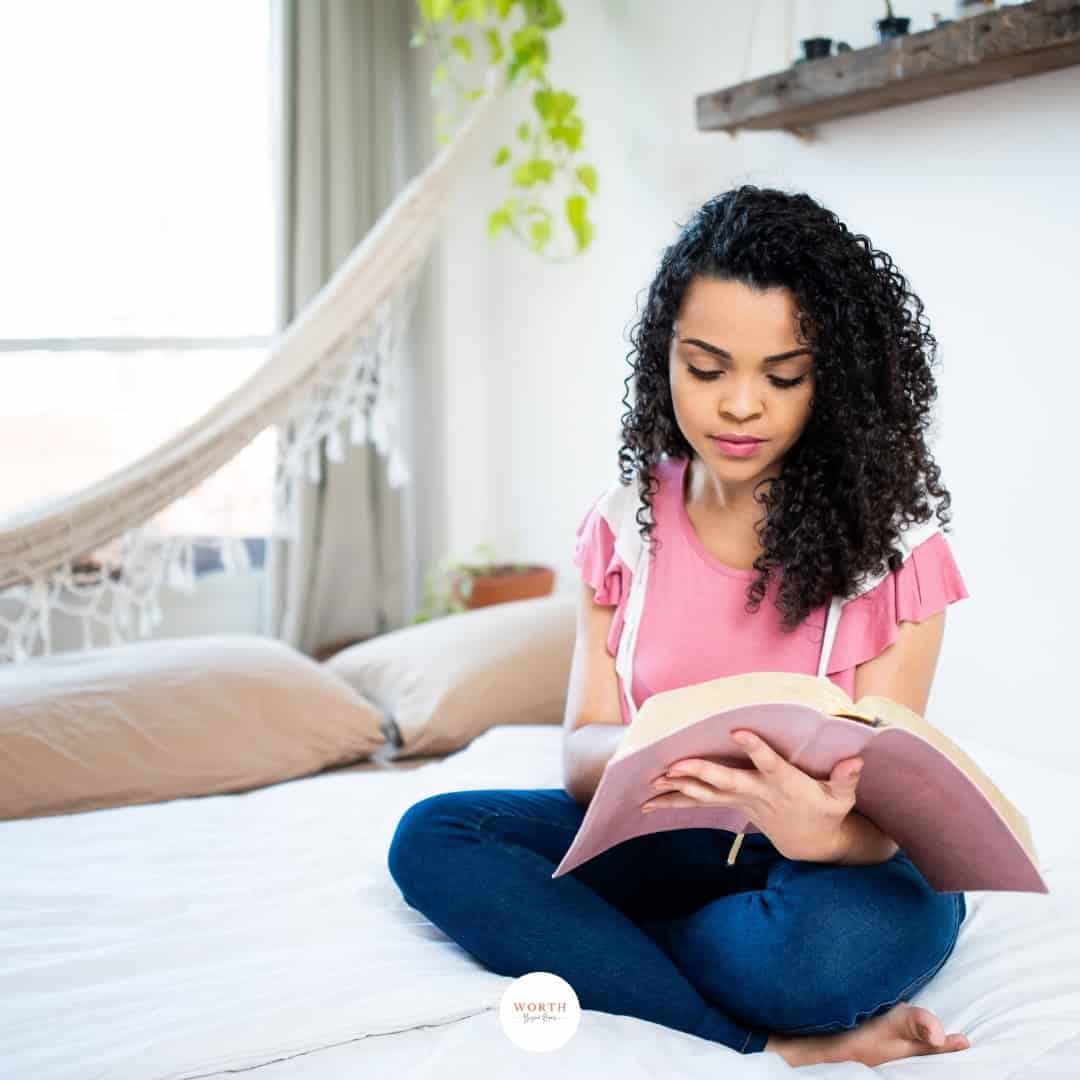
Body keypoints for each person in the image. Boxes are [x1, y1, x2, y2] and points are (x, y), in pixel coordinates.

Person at [387, 186, 972, 1067]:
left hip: (830, 864)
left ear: (836, 379)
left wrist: (812, 831)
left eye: (783, 376)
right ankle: (765, 1038)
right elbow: (583, 746)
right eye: (706, 368)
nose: (740, 406)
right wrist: (653, 755)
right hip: (659, 830)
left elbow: (883, 823)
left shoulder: (898, 554)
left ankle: (610, 946)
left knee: (821, 956)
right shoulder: (625, 524)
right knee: (435, 838)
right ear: (665, 359)